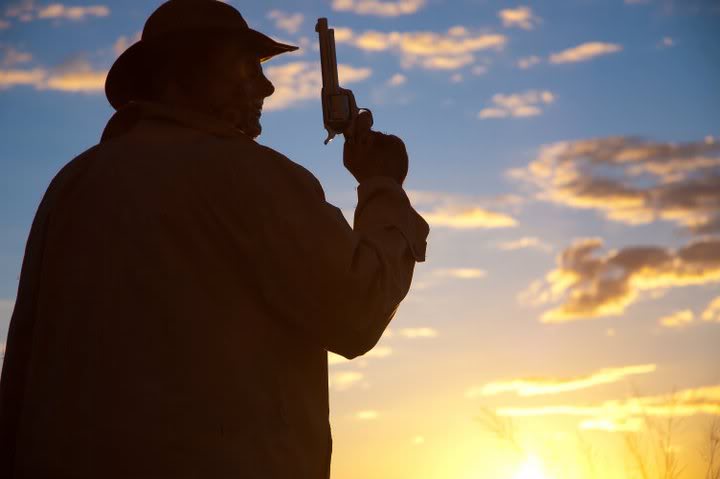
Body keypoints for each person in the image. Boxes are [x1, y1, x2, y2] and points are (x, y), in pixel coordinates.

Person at [0, 0, 429, 477]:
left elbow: (19, 377)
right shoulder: (249, 174)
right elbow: (358, 307)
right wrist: (382, 186)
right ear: (183, 73)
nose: (266, 85)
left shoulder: (72, 184)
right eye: (246, 66)